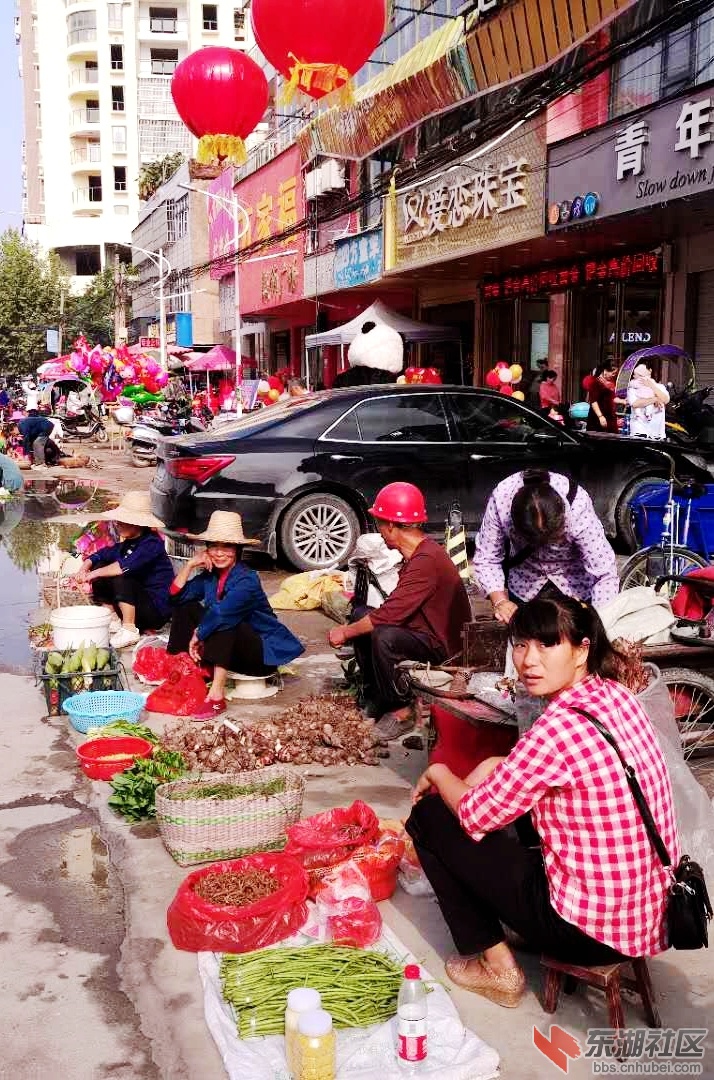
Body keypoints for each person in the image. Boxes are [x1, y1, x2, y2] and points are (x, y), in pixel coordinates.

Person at [406, 596, 679, 1007]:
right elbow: (542, 771)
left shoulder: (556, 729)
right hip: (651, 914)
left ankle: (497, 966)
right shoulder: (615, 696)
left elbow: (474, 813)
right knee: (508, 808)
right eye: (520, 645)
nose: (528, 660)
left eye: (547, 645)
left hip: (589, 933)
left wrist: (440, 772)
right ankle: (518, 918)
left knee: (430, 816)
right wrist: (494, 765)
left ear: (582, 649)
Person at [327, 482, 471, 741]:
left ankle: (403, 709)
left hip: (444, 647)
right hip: (425, 633)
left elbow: (388, 615)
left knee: (383, 636)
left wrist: (344, 633)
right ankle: (378, 697)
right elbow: (395, 608)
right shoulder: (419, 555)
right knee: (362, 614)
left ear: (391, 526)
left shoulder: (426, 561)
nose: (380, 533)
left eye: (380, 525)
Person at [168, 511, 304, 719]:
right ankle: (183, 669)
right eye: (214, 546)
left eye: (227, 546)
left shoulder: (247, 580)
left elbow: (222, 614)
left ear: (238, 550)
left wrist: (198, 634)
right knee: (187, 607)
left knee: (224, 620)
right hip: (231, 650)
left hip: (258, 657)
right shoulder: (210, 576)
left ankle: (216, 697)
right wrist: (189, 565)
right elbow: (177, 598)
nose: (219, 553)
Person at [472, 468, 618, 624]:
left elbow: (605, 573)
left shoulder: (578, 507)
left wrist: (598, 623)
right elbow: (487, 558)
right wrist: (500, 602)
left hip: (575, 587)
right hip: (525, 586)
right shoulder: (501, 500)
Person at [75, 491, 174, 649]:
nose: (117, 524)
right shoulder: (127, 543)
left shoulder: (151, 544)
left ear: (137, 523)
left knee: (122, 575)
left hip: (155, 611)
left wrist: (91, 575)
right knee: (100, 565)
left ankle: (129, 629)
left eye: (123, 521)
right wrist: (85, 567)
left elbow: (122, 568)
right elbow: (101, 554)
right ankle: (113, 618)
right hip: (136, 604)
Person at [627, 362, 670, 440]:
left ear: (650, 371)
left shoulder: (660, 387)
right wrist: (655, 399)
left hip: (657, 432)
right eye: (638, 374)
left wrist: (652, 386)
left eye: (642, 374)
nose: (641, 377)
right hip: (639, 431)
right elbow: (635, 404)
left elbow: (665, 400)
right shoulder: (633, 387)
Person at [586, 363, 618, 433]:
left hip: (610, 417)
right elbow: (593, 401)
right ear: (605, 371)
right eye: (613, 373)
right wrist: (600, 416)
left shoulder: (611, 383)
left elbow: (612, 398)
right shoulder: (596, 383)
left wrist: (623, 401)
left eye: (615, 373)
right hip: (598, 417)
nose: (614, 375)